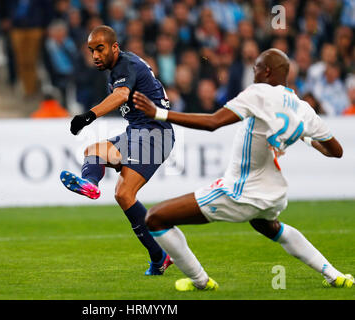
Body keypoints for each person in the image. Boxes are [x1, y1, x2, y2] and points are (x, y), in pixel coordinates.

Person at [132, 48, 353, 291]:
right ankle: (334, 275)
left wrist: (159, 113)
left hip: (239, 190)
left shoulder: (258, 93)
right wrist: (307, 138)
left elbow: (213, 122)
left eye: (256, 67)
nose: (253, 72)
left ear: (266, 71)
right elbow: (336, 151)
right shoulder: (303, 108)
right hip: (273, 194)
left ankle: (201, 281)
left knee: (155, 218)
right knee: (268, 226)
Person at [60, 25, 175, 275]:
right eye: (91, 51)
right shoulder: (120, 66)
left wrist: (87, 117)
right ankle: (90, 184)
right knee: (94, 151)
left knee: (124, 194)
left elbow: (122, 95)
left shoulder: (124, 65)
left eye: (100, 49)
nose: (95, 56)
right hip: (138, 132)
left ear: (114, 46)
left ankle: (160, 255)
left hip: (154, 134)